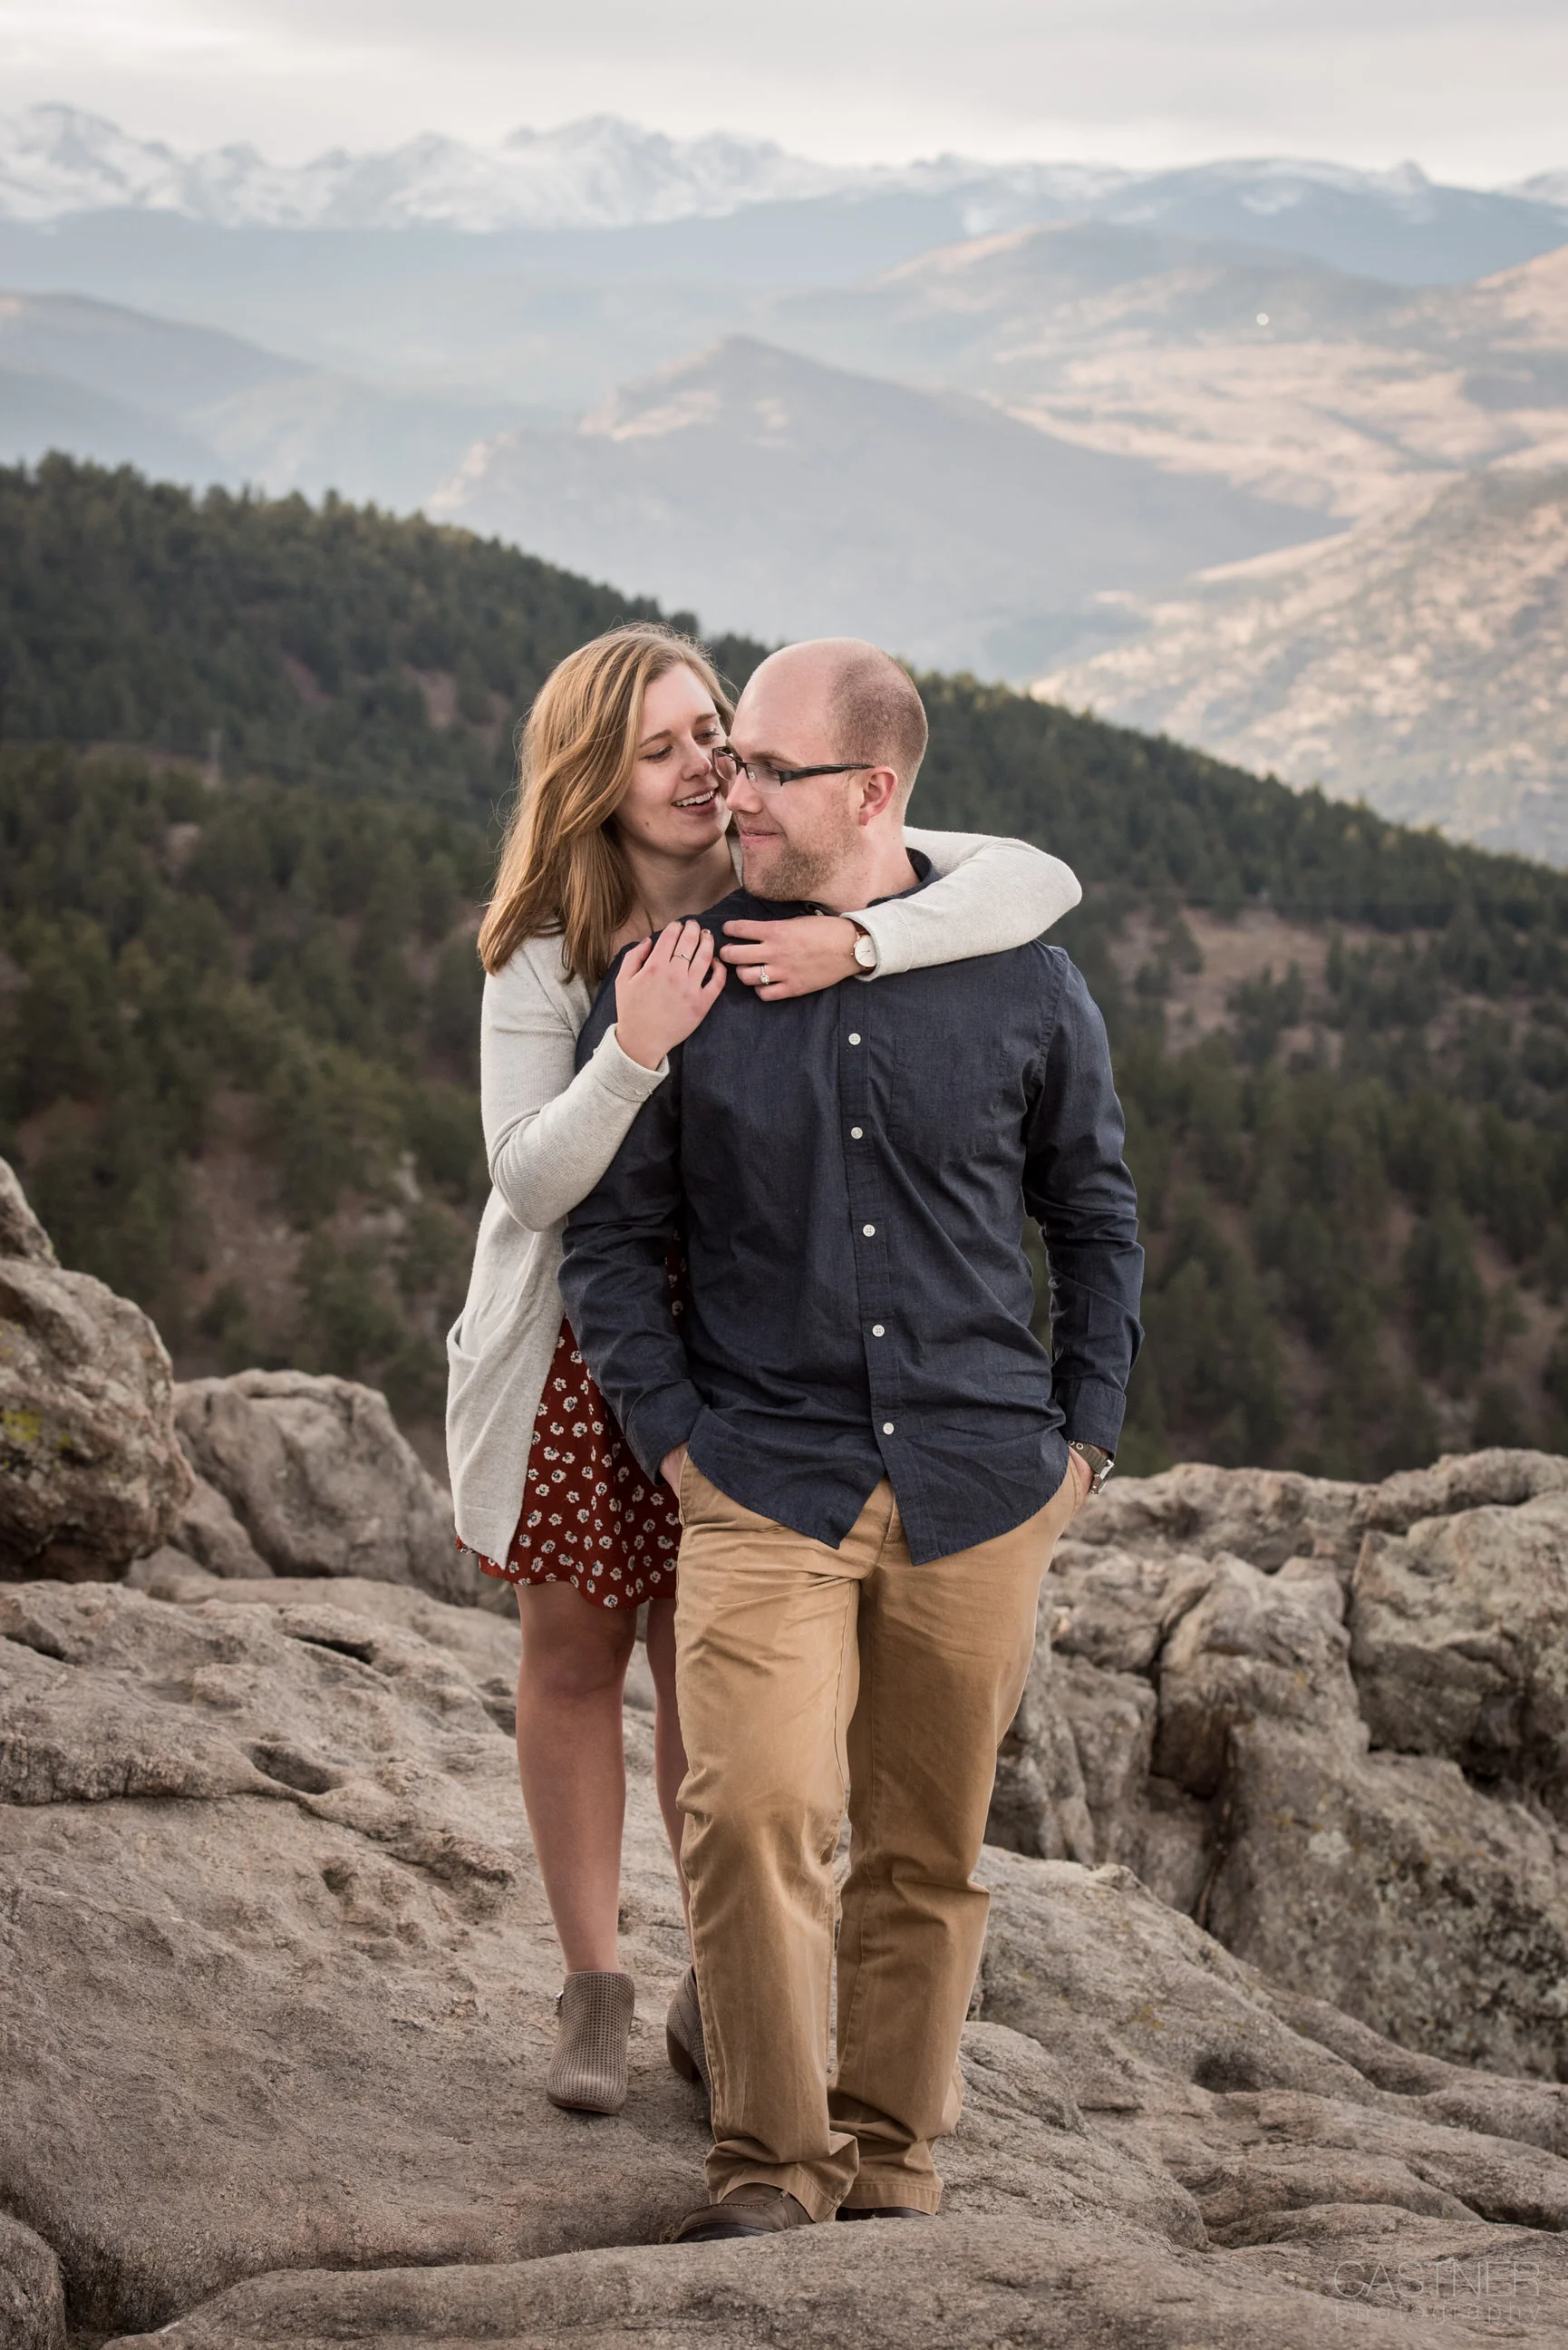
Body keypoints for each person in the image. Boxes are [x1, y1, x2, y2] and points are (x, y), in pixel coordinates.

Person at [446, 621, 1083, 2120]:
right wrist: (636, 1048)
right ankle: (594, 1983)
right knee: (574, 1658)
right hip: (584, 1346)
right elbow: (529, 1186)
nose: (699, 767)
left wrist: (861, 940)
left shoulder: (788, 873)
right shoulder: (545, 945)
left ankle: (709, 1985)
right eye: (656, 747)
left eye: (709, 733)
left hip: (766, 1337)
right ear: (593, 778)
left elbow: (1036, 884)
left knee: (713, 1679)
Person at [559, 636, 1143, 2237]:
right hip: (763, 1478)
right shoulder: (681, 973)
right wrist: (677, 1443)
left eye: (765, 769)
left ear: (873, 793)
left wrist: (1081, 1444)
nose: (725, 791)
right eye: (727, 759)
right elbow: (607, 1244)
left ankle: (892, 2158)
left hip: (981, 1478)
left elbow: (1092, 1214)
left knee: (926, 1852)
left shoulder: (1020, 973)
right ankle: (769, 2162)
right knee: (749, 1814)